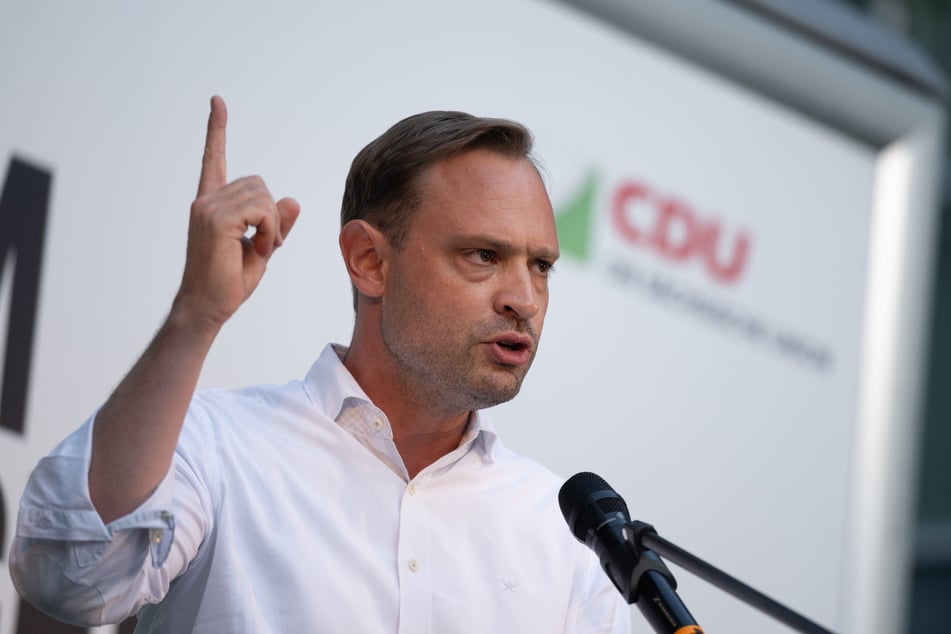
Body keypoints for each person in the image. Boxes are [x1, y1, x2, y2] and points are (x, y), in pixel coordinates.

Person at [10, 96, 631, 632]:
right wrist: (194, 315)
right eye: (483, 255)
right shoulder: (219, 446)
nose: (523, 298)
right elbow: (69, 575)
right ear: (369, 260)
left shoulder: (569, 537)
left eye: (541, 266)